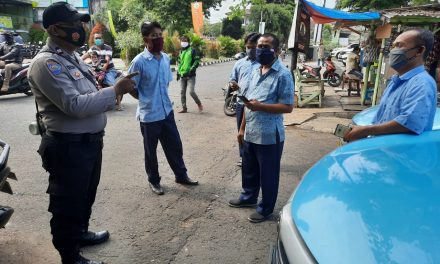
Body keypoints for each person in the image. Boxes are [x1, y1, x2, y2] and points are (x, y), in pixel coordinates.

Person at [27, 2, 135, 263]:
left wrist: (115, 87)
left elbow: (89, 94)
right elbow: (74, 105)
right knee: (68, 202)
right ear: (54, 29)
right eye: (74, 23)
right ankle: (70, 255)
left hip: (89, 143)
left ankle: (81, 233)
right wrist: (115, 91)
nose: (81, 28)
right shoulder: (46, 64)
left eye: (81, 22)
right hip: (68, 146)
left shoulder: (72, 57)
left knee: (86, 193)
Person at [229, 33, 294, 223]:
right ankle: (248, 197)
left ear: (277, 51)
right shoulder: (255, 70)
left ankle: (265, 209)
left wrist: (261, 107)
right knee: (249, 169)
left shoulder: (283, 75)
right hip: (251, 131)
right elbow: (247, 103)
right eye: (259, 46)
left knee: (268, 175)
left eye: (266, 46)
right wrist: (242, 129)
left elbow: (288, 106)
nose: (261, 50)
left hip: (269, 136)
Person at [128, 21, 199, 196]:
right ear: (146, 39)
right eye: (154, 36)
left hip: (166, 112)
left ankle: (181, 176)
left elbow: (164, 83)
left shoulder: (166, 58)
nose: (159, 38)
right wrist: (144, 99)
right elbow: (129, 86)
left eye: (160, 34)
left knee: (175, 146)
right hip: (149, 115)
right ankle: (154, 181)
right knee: (150, 152)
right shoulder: (139, 61)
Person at [344, 28, 436, 142]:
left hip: (401, 156)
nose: (393, 51)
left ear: (419, 51)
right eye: (393, 46)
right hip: (384, 151)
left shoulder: (422, 83)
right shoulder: (395, 81)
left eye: (399, 46)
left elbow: (410, 123)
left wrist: (365, 130)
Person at [228, 32, 261, 167]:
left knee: (255, 131)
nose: (250, 50)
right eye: (248, 47)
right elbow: (232, 78)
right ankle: (243, 156)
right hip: (242, 103)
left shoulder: (263, 64)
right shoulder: (240, 63)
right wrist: (233, 83)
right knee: (241, 132)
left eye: (254, 47)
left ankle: (258, 157)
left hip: (258, 105)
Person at [82, 32, 123, 110]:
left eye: (99, 38)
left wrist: (104, 67)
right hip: (96, 69)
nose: (97, 39)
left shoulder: (108, 48)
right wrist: (78, 61)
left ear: (102, 39)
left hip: (109, 70)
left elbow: (107, 59)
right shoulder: (93, 48)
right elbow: (84, 56)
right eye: (96, 38)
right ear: (93, 39)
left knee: (111, 85)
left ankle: (119, 104)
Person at [176, 35, 203, 113]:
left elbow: (197, 61)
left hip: (190, 76)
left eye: (185, 41)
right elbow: (180, 62)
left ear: (188, 42)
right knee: (182, 92)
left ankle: (199, 104)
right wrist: (178, 72)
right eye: (182, 41)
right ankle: (184, 108)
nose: (183, 42)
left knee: (191, 92)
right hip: (182, 75)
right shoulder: (181, 51)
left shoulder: (192, 50)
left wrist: (191, 70)